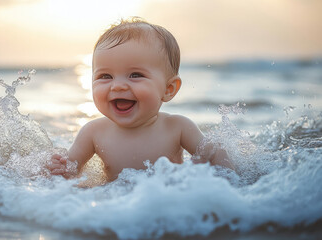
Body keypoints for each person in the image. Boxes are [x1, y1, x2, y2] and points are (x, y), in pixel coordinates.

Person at [48, 17, 234, 181]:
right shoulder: (93, 132)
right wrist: (60, 169)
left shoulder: (178, 127)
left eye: (135, 75)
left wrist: (219, 168)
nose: (117, 85)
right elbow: (70, 173)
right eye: (105, 76)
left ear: (168, 89)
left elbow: (219, 162)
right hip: (118, 207)